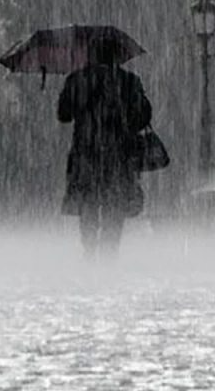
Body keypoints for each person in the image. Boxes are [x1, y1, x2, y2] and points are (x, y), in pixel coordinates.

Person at [57, 37, 152, 258]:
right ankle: (110, 253)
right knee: (114, 206)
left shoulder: (77, 80)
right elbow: (143, 118)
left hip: (86, 153)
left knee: (88, 205)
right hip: (119, 155)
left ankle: (89, 250)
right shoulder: (129, 81)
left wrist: (73, 95)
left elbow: (63, 116)